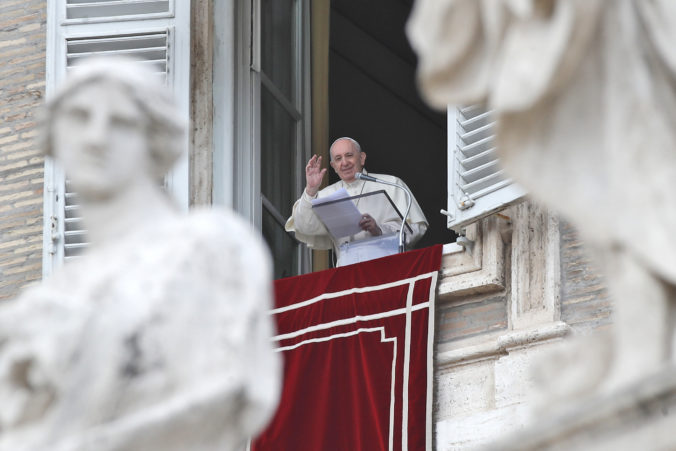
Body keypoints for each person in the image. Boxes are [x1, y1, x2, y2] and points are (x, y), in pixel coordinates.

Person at [0, 57, 280, 451]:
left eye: (122, 122)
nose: (96, 137)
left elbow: (211, 398)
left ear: (156, 139)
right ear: (54, 135)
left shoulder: (209, 247)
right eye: (79, 116)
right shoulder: (40, 304)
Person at [285, 137, 428, 266]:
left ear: (362, 158)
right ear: (333, 165)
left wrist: (380, 230)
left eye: (349, 155)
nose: (345, 162)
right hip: (347, 271)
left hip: (388, 266)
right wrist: (311, 190)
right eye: (338, 158)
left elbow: (417, 228)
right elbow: (304, 226)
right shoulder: (325, 195)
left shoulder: (391, 184)